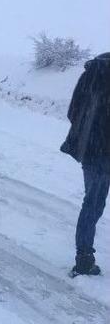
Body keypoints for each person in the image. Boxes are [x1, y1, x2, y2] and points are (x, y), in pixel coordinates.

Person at [61, 52, 110, 277]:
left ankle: (84, 257)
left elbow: (73, 111)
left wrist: (88, 132)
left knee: (91, 202)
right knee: (94, 203)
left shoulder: (91, 74)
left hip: (92, 149)